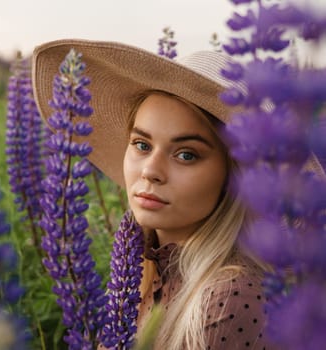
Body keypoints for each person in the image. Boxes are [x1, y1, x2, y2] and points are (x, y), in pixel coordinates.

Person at [31, 39, 277, 349]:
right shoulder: (141, 269)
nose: (150, 170)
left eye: (186, 154)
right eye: (141, 145)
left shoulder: (230, 297)